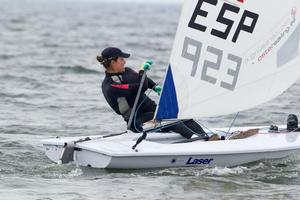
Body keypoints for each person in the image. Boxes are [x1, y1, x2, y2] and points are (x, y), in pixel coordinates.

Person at [97, 47, 207, 139]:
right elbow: (140, 86)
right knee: (169, 120)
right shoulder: (110, 86)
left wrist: (156, 88)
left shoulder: (126, 71)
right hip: (137, 122)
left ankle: (206, 138)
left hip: (152, 112)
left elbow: (143, 81)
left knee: (181, 115)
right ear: (113, 62)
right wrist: (142, 72)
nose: (124, 62)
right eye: (121, 59)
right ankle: (197, 140)